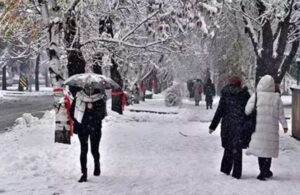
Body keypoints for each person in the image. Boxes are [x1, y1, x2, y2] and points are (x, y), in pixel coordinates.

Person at [245, 75, 288, 181]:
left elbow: (247, 110)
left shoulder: (256, 96)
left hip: (258, 128)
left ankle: (262, 171)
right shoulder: (276, 97)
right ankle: (266, 170)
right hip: (271, 128)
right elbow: (281, 114)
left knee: (261, 150)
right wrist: (285, 125)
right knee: (268, 150)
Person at [209, 75, 250, 179]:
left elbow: (220, 111)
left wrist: (213, 126)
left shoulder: (226, 94)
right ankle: (237, 173)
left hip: (227, 125)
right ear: (239, 83)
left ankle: (226, 169)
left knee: (228, 147)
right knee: (237, 149)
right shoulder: (244, 95)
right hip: (240, 125)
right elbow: (249, 111)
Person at [70, 85, 107, 182]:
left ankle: (97, 163)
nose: (89, 89)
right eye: (86, 87)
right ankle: (84, 173)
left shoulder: (99, 98)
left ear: (94, 88)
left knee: (94, 150)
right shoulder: (79, 98)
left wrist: (92, 108)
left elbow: (102, 114)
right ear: (83, 88)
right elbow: (72, 112)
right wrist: (80, 118)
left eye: (91, 87)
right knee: (83, 150)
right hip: (83, 128)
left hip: (95, 128)